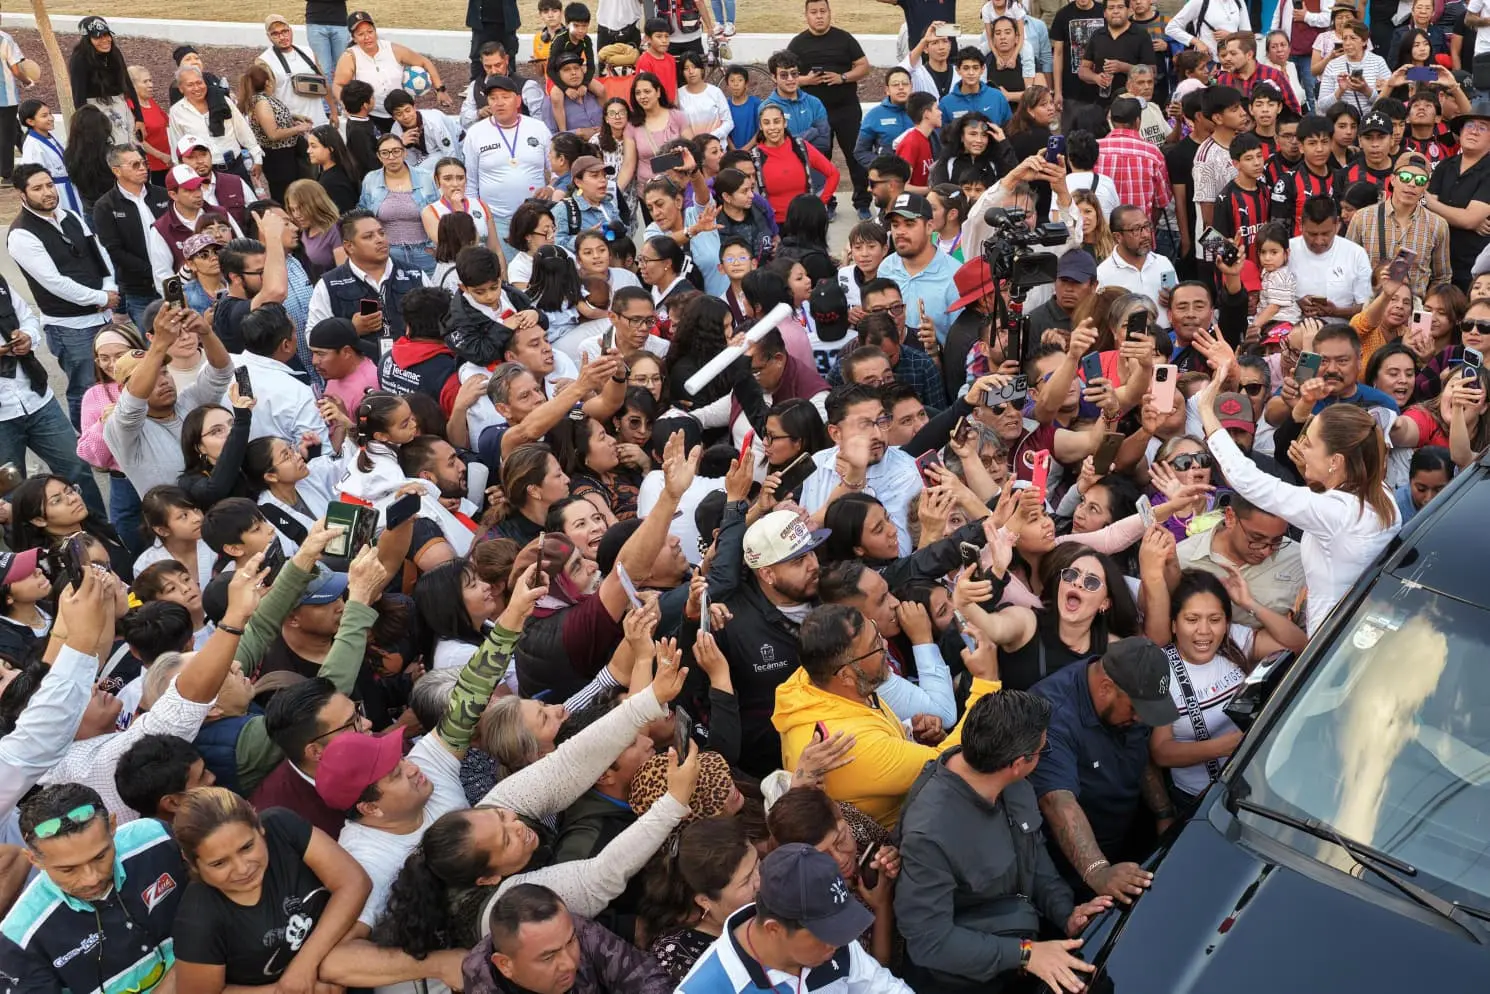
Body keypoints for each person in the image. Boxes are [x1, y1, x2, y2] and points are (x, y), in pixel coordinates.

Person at [895, 689, 1112, 993]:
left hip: (1020, 953)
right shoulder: (929, 834)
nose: (1043, 755)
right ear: (1018, 763)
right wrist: (1025, 954)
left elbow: (1034, 859)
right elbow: (930, 942)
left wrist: (1066, 914)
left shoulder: (1012, 782)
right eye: (1042, 750)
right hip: (968, 984)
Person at [1202, 359, 1400, 635]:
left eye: (1310, 443)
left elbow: (1247, 479)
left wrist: (1205, 409)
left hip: (1330, 635)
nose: (1301, 447)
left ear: (1335, 461)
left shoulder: (1336, 511)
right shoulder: (1381, 492)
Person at [1028, 637, 1178, 901]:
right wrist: (1098, 872)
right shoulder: (1051, 714)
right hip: (1070, 871)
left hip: (1126, 838)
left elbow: (1139, 751)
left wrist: (1163, 813)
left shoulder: (1132, 695)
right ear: (1106, 688)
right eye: (1135, 709)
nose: (1140, 718)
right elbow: (1057, 801)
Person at [0, 782, 185, 993]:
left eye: (100, 857)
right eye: (68, 869)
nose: (92, 878)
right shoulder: (19, 937)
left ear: (113, 826)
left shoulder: (157, 838)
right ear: (34, 859)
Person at [677, 843, 912, 994]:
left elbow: (883, 987)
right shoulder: (707, 988)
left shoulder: (832, 938)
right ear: (774, 929)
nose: (839, 942)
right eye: (825, 934)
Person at [8, 164, 118, 431]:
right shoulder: (21, 234)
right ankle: (87, 439)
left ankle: (114, 435)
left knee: (112, 380)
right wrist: (100, 297)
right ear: (22, 194)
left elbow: (99, 253)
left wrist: (109, 288)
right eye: (37, 188)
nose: (47, 192)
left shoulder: (70, 216)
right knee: (85, 388)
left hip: (103, 315)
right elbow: (54, 283)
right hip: (70, 327)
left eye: (49, 185)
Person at [466, 883, 674, 994]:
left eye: (570, 942)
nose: (569, 963)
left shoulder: (574, 929)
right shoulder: (482, 985)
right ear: (505, 965)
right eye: (548, 957)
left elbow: (645, 976)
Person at [789, 0, 873, 219]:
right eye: (814, 12)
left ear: (829, 13)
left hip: (846, 109)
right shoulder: (797, 44)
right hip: (815, 113)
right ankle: (826, 202)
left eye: (823, 11)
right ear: (806, 15)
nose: (819, 16)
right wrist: (807, 80)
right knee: (819, 159)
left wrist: (842, 77)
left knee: (855, 155)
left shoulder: (844, 38)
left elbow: (864, 66)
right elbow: (785, 75)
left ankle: (862, 202)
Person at [92, 145, 174, 331]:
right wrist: (152, 271)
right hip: (140, 291)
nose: (143, 168)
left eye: (144, 163)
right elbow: (114, 250)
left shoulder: (162, 195)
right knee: (154, 341)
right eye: (135, 165)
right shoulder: (105, 206)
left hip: (172, 282)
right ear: (117, 171)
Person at [463, 75, 555, 240]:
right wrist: (476, 218)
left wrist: (551, 189)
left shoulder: (538, 129)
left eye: (505, 97)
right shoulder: (475, 133)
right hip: (495, 220)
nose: (499, 103)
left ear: (518, 101)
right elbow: (470, 182)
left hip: (536, 218)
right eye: (493, 98)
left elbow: (557, 171)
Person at [334, 10, 451, 131]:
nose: (367, 37)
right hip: (371, 116)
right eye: (361, 34)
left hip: (401, 114)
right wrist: (346, 106)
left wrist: (440, 89)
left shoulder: (392, 49)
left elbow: (425, 62)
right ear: (354, 38)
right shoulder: (350, 57)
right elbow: (338, 84)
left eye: (370, 31)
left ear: (375, 31)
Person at [168, 64, 264, 190]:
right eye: (190, 85)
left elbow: (242, 130)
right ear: (181, 89)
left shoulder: (222, 101)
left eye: (199, 82)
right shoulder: (177, 112)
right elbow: (177, 145)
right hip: (206, 173)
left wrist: (257, 157)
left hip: (235, 166)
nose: (197, 88)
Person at [1427, 99, 1490, 287]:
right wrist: (1463, 218)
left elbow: (1469, 219)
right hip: (1438, 263)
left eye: (1482, 127)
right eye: (1469, 125)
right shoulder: (1445, 165)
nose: (1473, 131)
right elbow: (1426, 211)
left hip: (1474, 269)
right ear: (1460, 132)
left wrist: (1431, 202)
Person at [360, 133, 440, 276]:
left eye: (396, 151)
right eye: (385, 153)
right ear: (378, 156)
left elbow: (439, 213)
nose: (391, 157)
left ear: (404, 152)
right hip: (388, 254)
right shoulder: (371, 180)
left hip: (425, 252)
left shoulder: (426, 177)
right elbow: (364, 216)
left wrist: (436, 247)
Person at [1287, 195, 1373, 320]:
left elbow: (1366, 307)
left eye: (1325, 234)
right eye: (1312, 234)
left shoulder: (1356, 254)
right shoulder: (1286, 251)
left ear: (1337, 225)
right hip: (1292, 329)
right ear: (1301, 225)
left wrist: (1336, 312)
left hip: (1340, 329)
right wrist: (1297, 305)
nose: (1319, 241)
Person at [239, 63, 312, 203]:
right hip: (279, 157)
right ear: (267, 82)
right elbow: (273, 133)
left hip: (287, 154)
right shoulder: (261, 102)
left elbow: (274, 118)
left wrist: (293, 117)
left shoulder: (265, 99)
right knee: (285, 194)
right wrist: (298, 129)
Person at [67, 17, 144, 145]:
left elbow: (128, 85)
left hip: (120, 106)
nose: (105, 40)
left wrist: (139, 118)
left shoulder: (115, 53)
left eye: (107, 35)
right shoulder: (79, 59)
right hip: (95, 110)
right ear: (87, 39)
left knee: (132, 146)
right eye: (98, 37)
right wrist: (87, 125)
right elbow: (79, 97)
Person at [1094, 97, 1171, 221]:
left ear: (1111, 120)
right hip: (1139, 228)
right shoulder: (1153, 153)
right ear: (1138, 121)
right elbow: (1161, 201)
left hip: (1103, 229)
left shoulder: (1095, 149)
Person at [262, 13, 334, 128]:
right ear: (268, 37)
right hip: (292, 127)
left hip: (319, 122)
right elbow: (265, 101)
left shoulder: (308, 52)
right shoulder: (265, 61)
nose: (282, 37)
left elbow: (324, 83)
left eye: (284, 31)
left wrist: (333, 111)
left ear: (290, 31)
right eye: (275, 34)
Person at [1080, 0, 1154, 108]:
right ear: (1105, 13)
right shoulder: (1097, 35)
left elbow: (1152, 71)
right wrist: (1095, 78)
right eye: (1111, 8)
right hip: (1100, 104)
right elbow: (1083, 70)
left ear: (1129, 10)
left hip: (1132, 105)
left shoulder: (1141, 35)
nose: (1115, 11)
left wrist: (1124, 67)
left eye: (1120, 7)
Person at [307, 123, 363, 213]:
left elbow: (343, 214)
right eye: (309, 146)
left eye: (314, 146)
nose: (308, 151)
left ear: (330, 148)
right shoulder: (333, 172)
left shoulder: (334, 182)